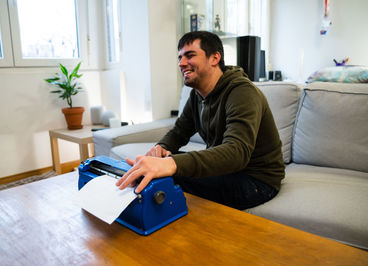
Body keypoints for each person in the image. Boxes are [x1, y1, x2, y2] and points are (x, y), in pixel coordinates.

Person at [116, 31, 285, 210]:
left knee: (167, 174)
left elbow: (237, 153)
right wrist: (160, 150)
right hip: (228, 171)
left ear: (214, 58)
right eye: (180, 57)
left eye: (190, 55)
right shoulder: (197, 95)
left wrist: (170, 164)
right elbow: (180, 132)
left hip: (256, 180)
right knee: (155, 169)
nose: (181, 63)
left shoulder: (242, 92)